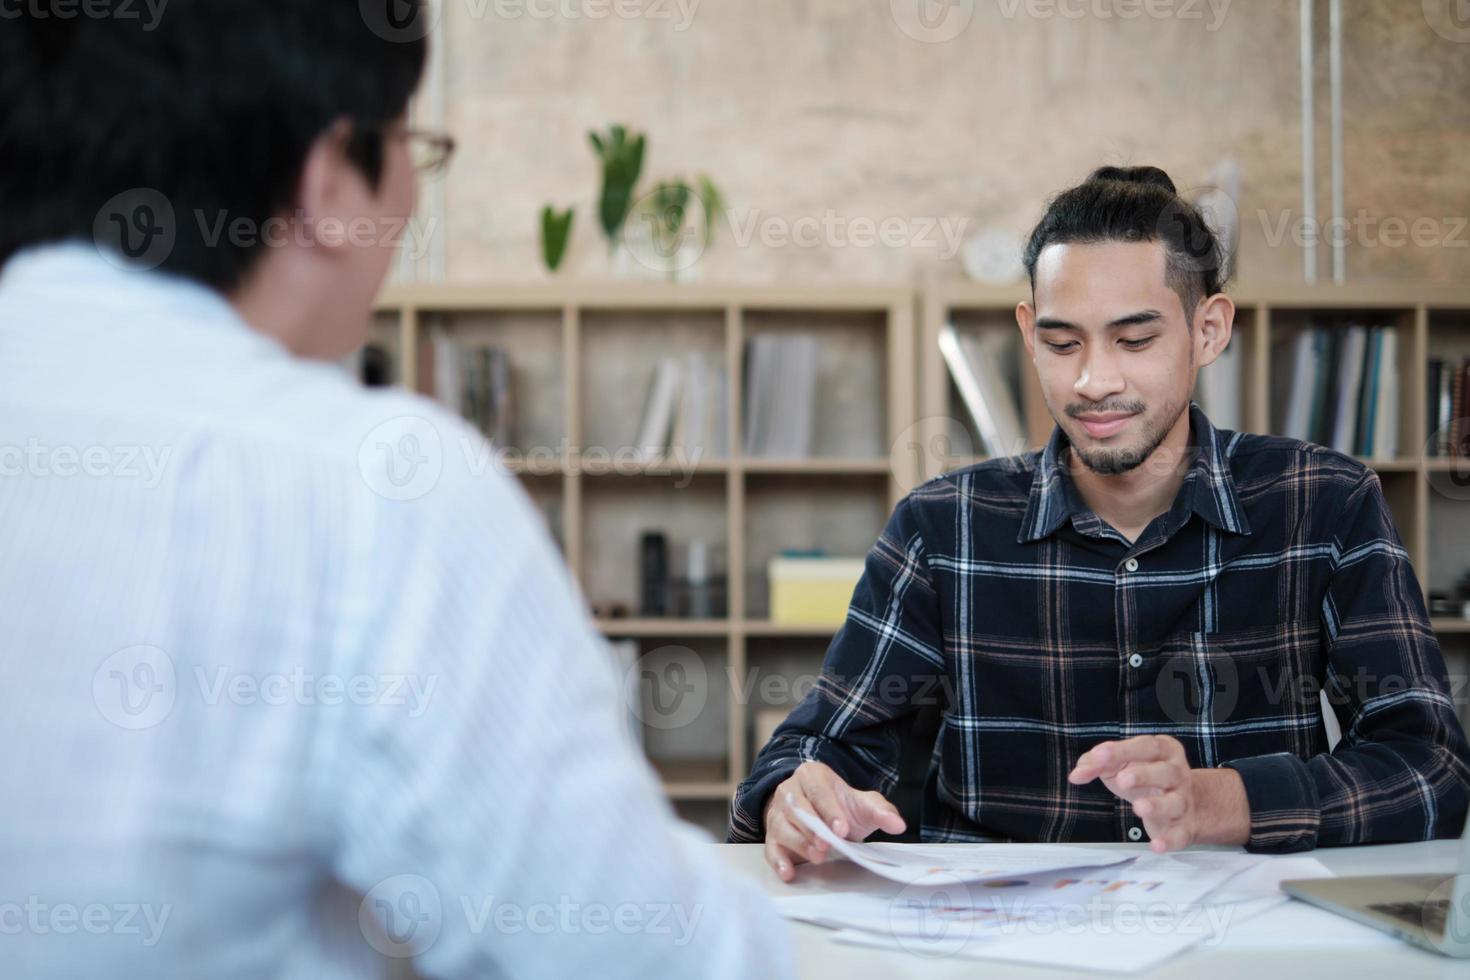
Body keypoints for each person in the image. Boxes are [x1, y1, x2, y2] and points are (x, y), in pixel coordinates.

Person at [0, 4, 792, 977]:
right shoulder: (374, 490)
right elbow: (647, 954)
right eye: (414, 144)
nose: (414, 190)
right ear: (332, 177)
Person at [734, 165, 1470, 882]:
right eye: (1062, 343)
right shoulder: (941, 527)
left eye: (1135, 340)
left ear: (1208, 330)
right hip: (993, 949)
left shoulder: (1324, 502)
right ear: (1028, 332)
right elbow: (822, 743)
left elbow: (1430, 767)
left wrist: (1227, 802)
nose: (1094, 381)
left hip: (1238, 944)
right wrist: (795, 795)